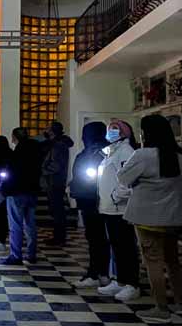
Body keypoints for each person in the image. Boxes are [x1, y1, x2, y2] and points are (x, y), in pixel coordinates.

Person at [118, 114, 182, 324]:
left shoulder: (143, 155)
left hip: (147, 217)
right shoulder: (179, 155)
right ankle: (180, 302)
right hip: (173, 217)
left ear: (146, 133)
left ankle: (161, 308)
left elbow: (123, 178)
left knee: (153, 262)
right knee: (173, 261)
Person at [96, 120, 141, 301]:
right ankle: (120, 280)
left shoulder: (126, 151)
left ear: (124, 132)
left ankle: (132, 284)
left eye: (115, 129)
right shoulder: (111, 151)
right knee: (117, 246)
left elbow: (128, 180)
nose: (110, 132)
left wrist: (115, 197)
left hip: (120, 208)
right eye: (109, 129)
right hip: (108, 207)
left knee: (126, 247)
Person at [70, 121, 111, 288]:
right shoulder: (92, 152)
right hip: (90, 199)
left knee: (97, 239)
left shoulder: (101, 153)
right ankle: (101, 273)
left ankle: (98, 273)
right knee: (97, 238)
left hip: (93, 199)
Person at [0, 127, 42, 265]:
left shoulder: (17, 152)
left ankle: (16, 256)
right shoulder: (36, 150)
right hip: (32, 191)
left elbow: (12, 173)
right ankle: (31, 254)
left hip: (17, 192)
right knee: (30, 224)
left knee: (15, 224)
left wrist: (3, 188)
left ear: (15, 137)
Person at [41, 121, 74, 246]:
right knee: (56, 210)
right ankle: (58, 236)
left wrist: (43, 170)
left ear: (52, 131)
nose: (45, 130)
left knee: (57, 211)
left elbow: (56, 165)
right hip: (55, 181)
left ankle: (59, 237)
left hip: (55, 181)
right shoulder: (57, 144)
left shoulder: (58, 145)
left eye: (48, 128)